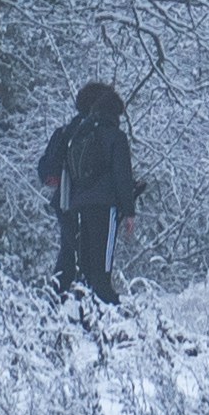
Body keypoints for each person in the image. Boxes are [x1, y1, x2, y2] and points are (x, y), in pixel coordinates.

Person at [35, 81, 138, 302]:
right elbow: (120, 175)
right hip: (95, 206)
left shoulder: (71, 131)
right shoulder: (110, 134)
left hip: (68, 205)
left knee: (69, 262)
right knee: (96, 271)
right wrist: (128, 208)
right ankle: (102, 316)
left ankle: (54, 308)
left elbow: (46, 169)